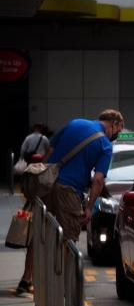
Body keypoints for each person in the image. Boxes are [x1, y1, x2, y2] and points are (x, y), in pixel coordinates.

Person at [16, 110, 124, 295]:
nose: (115, 136)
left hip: (47, 185)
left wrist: (49, 177)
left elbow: (49, 151)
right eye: (117, 131)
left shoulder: (74, 123)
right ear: (113, 124)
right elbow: (98, 180)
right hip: (70, 192)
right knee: (69, 241)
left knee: (39, 232)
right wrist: (89, 208)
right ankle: (62, 289)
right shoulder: (105, 145)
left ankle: (26, 280)